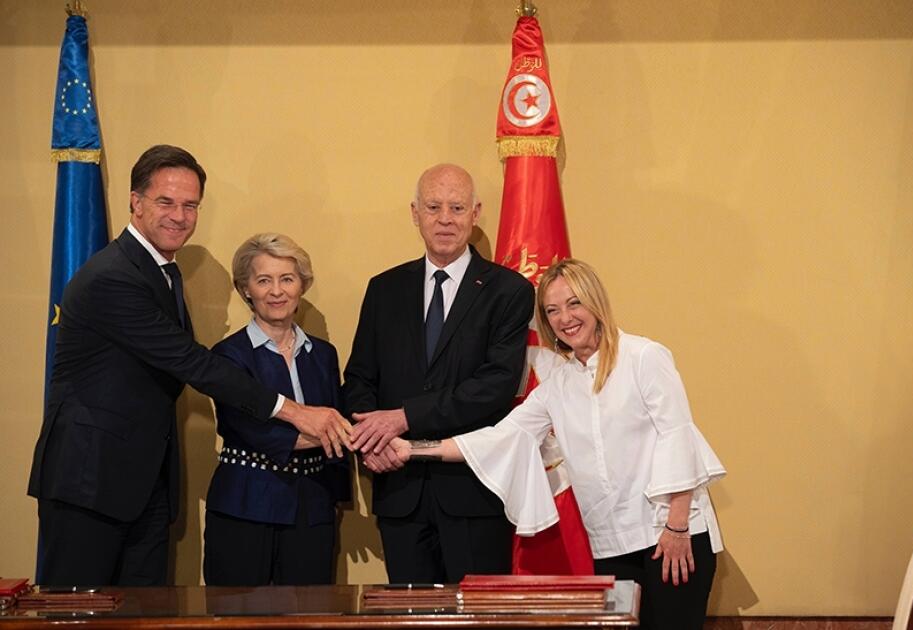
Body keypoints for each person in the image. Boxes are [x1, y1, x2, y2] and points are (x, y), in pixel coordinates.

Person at [28, 145, 351, 587]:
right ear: (135, 202)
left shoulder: (163, 271)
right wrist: (295, 411)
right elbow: (191, 362)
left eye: (190, 205)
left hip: (141, 484)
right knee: (77, 612)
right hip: (89, 483)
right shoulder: (113, 276)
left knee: (142, 613)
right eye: (166, 202)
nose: (179, 216)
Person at [389, 258, 726, 630]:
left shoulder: (644, 357)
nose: (565, 318)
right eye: (552, 310)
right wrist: (411, 449)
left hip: (670, 533)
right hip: (611, 544)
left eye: (574, 303)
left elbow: (677, 437)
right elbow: (499, 438)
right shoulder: (558, 385)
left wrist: (677, 527)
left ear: (595, 301)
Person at [343, 163, 534, 584]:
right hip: (399, 490)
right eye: (433, 207)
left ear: (475, 213)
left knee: (476, 615)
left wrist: (403, 418)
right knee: (409, 613)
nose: (445, 219)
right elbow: (359, 379)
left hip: (473, 494)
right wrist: (371, 441)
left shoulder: (509, 291)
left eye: (457, 207)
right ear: (415, 213)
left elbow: (494, 387)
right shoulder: (384, 289)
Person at [203, 233, 350, 585]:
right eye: (264, 280)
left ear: (302, 285)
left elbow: (336, 420)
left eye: (287, 279)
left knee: (311, 611)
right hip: (244, 506)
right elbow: (256, 432)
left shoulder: (324, 354)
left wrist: (338, 495)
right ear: (246, 289)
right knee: (236, 612)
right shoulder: (227, 356)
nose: (276, 292)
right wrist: (340, 433)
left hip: (312, 508)